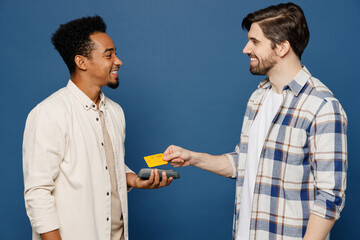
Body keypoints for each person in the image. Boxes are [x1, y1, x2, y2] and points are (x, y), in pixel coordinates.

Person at [163, 2, 347, 240]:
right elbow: (244, 162)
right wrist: (193, 158)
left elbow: (330, 197)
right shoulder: (258, 98)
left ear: (282, 47)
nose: (245, 49)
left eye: (255, 41)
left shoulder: (322, 107)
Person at [22, 16, 172, 240]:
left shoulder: (115, 111)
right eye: (109, 55)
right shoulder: (49, 113)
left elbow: (103, 162)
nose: (118, 61)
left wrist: (132, 179)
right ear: (82, 62)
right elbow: (38, 192)